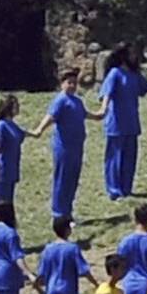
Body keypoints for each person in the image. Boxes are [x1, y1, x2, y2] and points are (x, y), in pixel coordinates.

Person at [96, 43, 147, 198]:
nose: (134, 57)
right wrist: (103, 109)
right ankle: (114, 190)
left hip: (131, 122)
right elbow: (106, 94)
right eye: (131, 54)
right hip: (116, 123)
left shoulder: (134, 75)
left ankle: (126, 188)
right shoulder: (115, 74)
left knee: (129, 157)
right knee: (115, 157)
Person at [27, 68, 95, 220]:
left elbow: (86, 114)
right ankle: (58, 213)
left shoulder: (77, 101)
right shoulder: (60, 100)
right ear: (62, 84)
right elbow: (50, 117)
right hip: (64, 148)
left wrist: (101, 114)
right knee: (62, 179)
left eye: (74, 83)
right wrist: (39, 130)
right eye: (69, 83)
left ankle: (68, 212)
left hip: (77, 148)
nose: (72, 86)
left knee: (73, 180)